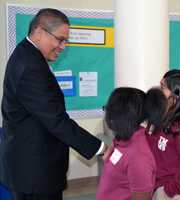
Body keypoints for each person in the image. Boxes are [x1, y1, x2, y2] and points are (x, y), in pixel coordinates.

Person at [0, 8, 107, 200]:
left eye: (65, 41)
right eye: (60, 39)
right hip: (34, 172)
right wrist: (100, 148)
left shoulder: (27, 55)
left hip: (31, 166)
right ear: (40, 32)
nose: (63, 46)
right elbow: (55, 120)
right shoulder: (30, 66)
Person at [145, 70, 180, 200]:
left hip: (172, 193)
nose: (158, 91)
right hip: (155, 187)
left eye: (163, 87)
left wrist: (169, 190)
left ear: (177, 96)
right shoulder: (162, 118)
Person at [96, 87, 156, 200]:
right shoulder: (123, 138)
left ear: (122, 115)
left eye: (108, 109)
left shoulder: (139, 157)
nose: (106, 113)